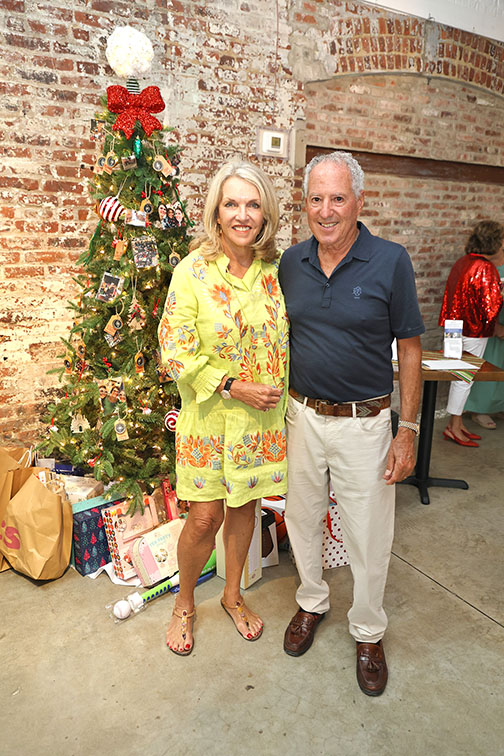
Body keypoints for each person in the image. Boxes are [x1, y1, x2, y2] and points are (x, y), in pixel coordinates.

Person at [278, 150, 424, 697]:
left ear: (359, 201)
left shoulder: (390, 261)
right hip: (301, 417)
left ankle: (367, 631)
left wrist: (407, 428)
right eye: (315, 199)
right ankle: (312, 602)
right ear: (305, 204)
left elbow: (410, 349)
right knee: (302, 518)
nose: (326, 210)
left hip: (365, 424)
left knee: (368, 534)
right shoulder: (291, 263)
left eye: (337, 198)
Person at [158, 160, 289, 656]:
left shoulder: (276, 274)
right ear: (216, 211)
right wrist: (232, 385)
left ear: (265, 214)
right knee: (203, 519)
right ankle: (184, 603)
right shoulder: (192, 271)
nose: (242, 215)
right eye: (231, 204)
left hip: (260, 424)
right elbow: (173, 350)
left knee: (244, 511)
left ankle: (233, 596)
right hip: (210, 420)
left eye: (253, 204)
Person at [439, 221, 504, 446]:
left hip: (453, 327)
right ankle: (453, 427)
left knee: (458, 376)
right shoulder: (485, 267)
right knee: (464, 379)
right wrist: (500, 291)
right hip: (473, 331)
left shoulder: (463, 261)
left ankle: (456, 424)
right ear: (494, 242)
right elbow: (490, 309)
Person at [464, 260, 504, 428]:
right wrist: (492, 325)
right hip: (492, 321)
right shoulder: (486, 265)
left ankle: (498, 406)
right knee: (489, 361)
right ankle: (479, 408)